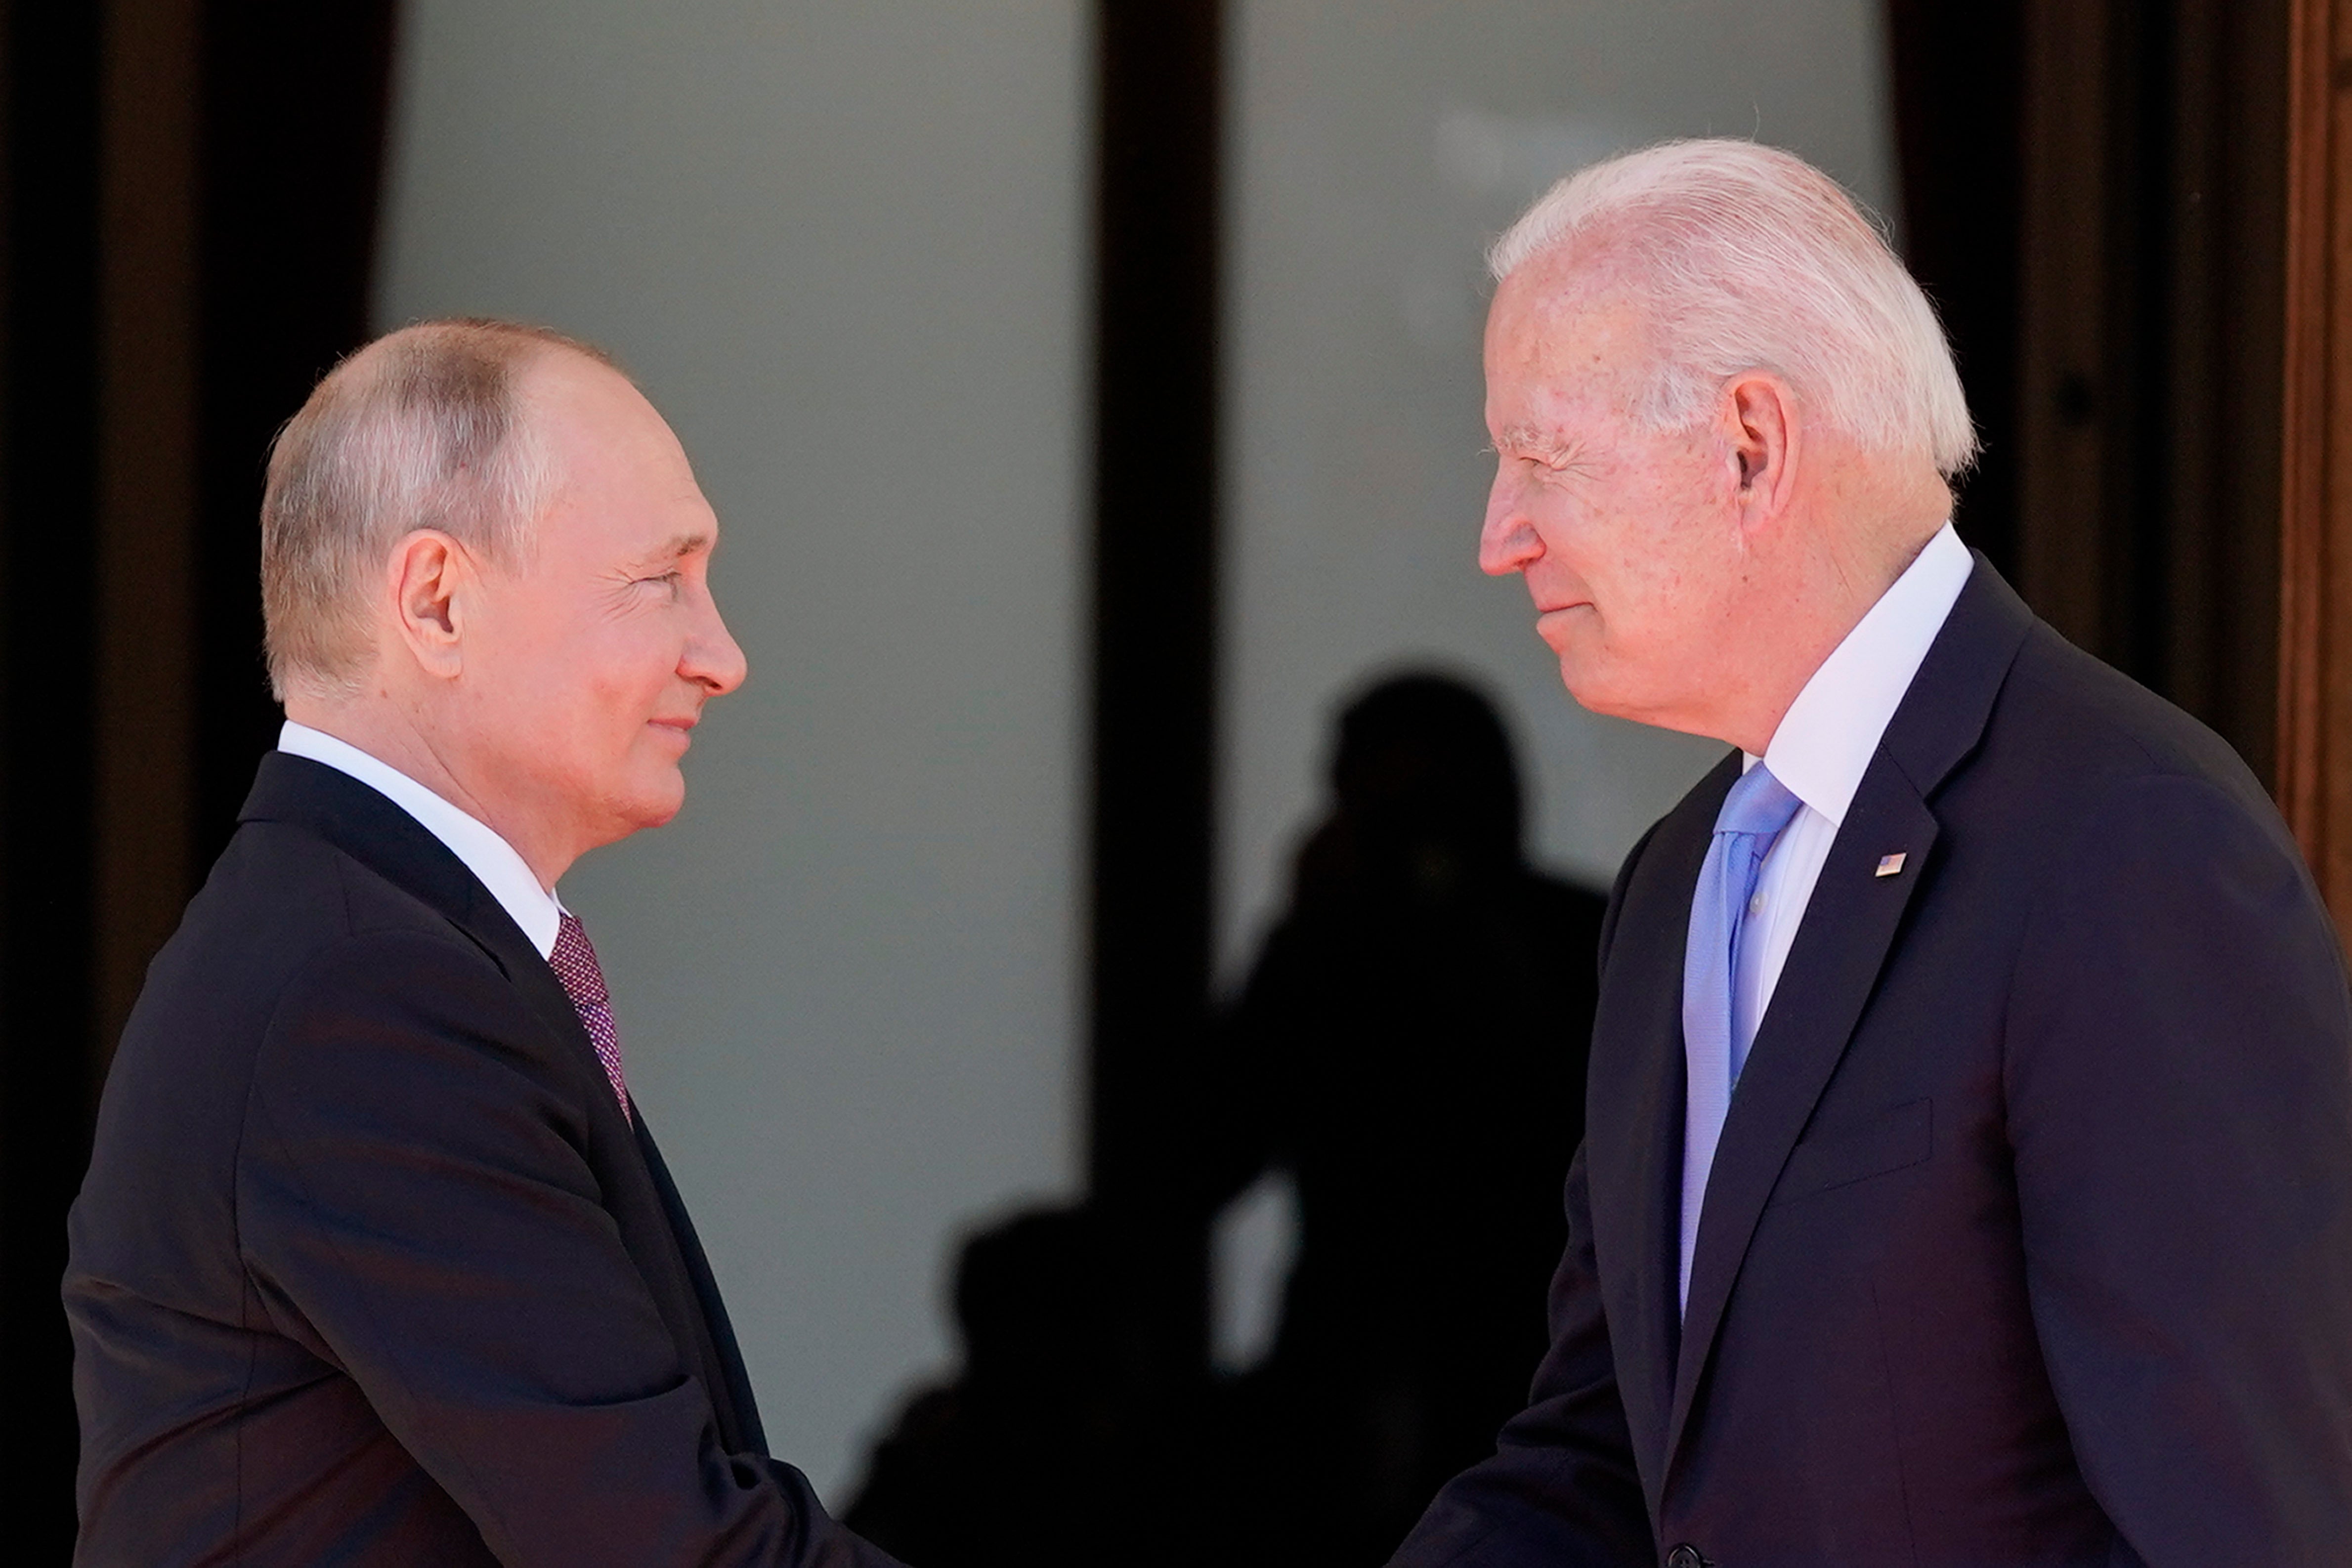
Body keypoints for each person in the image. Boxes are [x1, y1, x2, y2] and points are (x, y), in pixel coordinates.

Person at [1387, 140, 2352, 1568]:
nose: (1500, 534)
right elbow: (1601, 1463)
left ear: (1752, 447)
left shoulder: (2126, 844)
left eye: (1543, 455)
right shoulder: (1675, 885)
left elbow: (2249, 1523)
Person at [64, 320, 903, 1566]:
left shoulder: (367, 944)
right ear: (438, 602)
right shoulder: (365, 992)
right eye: (659, 578)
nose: (721, 656)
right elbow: (662, 1546)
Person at [1194, 672, 1606, 1565]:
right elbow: (1196, 1163)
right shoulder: (1323, 956)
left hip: (1539, 1367)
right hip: (1346, 1385)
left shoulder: (1580, 944)